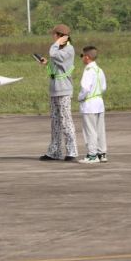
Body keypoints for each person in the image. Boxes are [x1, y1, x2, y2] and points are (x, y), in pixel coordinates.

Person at [36, 24, 78, 161]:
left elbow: (54, 54)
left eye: (54, 35)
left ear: (59, 36)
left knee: (66, 121)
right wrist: (47, 64)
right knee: (55, 122)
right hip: (54, 89)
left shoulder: (69, 49)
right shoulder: (59, 49)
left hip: (64, 90)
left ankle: (72, 151)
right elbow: (56, 65)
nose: (52, 37)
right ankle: (55, 151)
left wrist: (57, 43)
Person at [77, 46, 108, 164]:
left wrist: (80, 97)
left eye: (82, 56)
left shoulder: (88, 70)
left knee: (90, 130)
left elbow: (85, 88)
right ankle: (102, 153)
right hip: (99, 102)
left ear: (87, 57)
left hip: (89, 104)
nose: (82, 59)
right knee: (100, 129)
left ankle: (92, 155)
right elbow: (103, 87)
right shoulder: (99, 70)